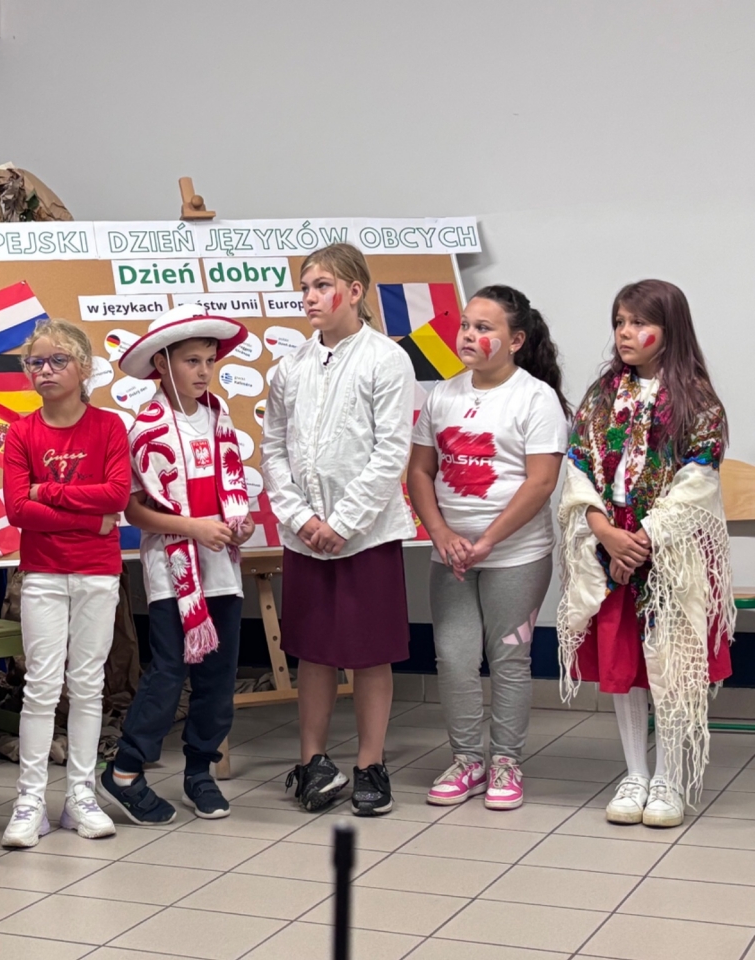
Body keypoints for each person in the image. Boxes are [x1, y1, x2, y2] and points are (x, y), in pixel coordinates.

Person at [559, 279, 733, 828]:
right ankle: (635, 772)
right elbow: (579, 468)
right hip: (612, 546)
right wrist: (605, 532)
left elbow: (697, 480)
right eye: (619, 322)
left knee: (672, 661)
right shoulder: (601, 396)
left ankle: (669, 777)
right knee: (624, 664)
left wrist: (644, 539)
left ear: (669, 328)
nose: (625, 333)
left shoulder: (698, 401)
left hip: (671, 552)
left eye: (638, 322)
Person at [261, 244, 415, 817]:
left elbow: (389, 452)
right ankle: (313, 762)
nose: (309, 298)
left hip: (365, 534)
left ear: (354, 291)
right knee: (314, 651)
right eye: (304, 288)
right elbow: (273, 450)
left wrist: (344, 522)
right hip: (306, 535)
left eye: (322, 286)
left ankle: (371, 764)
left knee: (370, 652)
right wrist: (302, 518)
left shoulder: (385, 359)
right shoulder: (290, 367)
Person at [408, 286, 569, 810]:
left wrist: (487, 541)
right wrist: (442, 535)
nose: (469, 336)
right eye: (466, 325)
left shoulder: (535, 398)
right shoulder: (442, 395)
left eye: (485, 328)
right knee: (454, 658)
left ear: (515, 340)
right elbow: (420, 472)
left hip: (516, 556)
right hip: (451, 557)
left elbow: (541, 482)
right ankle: (466, 760)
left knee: (508, 659)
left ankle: (505, 760)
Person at [98, 304, 255, 825]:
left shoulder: (219, 417)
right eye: (191, 361)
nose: (204, 371)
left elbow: (230, 492)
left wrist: (238, 524)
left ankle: (199, 772)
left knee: (218, 675)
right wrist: (193, 528)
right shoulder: (145, 427)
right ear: (162, 366)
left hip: (221, 567)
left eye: (209, 360)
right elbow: (134, 510)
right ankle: (125, 769)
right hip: (173, 569)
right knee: (168, 672)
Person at [0, 320, 131, 848]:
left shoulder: (109, 427)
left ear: (85, 368)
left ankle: (81, 794)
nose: (46, 370)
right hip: (44, 574)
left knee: (88, 684)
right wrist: (90, 518)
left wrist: (47, 492)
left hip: (98, 573)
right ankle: (30, 799)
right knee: (41, 685)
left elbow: (117, 495)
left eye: (58, 360)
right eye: (36, 362)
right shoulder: (21, 432)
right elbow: (17, 508)